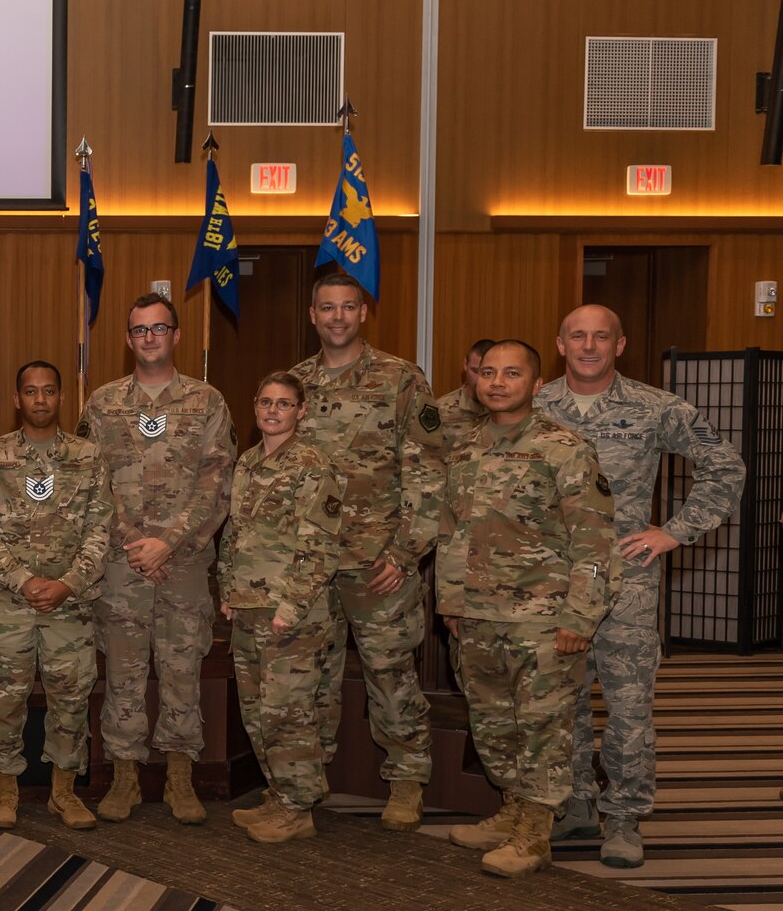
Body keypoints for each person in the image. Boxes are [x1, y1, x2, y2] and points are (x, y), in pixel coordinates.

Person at [535, 305, 744, 867]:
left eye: (600, 337)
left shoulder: (657, 408)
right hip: (551, 580)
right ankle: (575, 806)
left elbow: (726, 467)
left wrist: (674, 532)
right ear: (560, 344)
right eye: (577, 336)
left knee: (627, 706)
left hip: (626, 578)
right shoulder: (534, 406)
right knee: (562, 702)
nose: (588, 346)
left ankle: (623, 817)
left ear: (620, 345)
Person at [439, 340, 617, 876]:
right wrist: (450, 601)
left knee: (542, 726)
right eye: (488, 372)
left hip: (542, 618)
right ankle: (512, 810)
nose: (496, 382)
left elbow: (594, 540)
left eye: (511, 373)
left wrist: (580, 617)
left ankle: (536, 832)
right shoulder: (466, 446)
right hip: (476, 614)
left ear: (537, 384)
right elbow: (452, 531)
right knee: (493, 724)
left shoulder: (565, 448)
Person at [290, 269, 445, 831]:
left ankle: (406, 780)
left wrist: (405, 555)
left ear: (362, 313)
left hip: (379, 561)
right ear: (313, 316)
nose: (337, 317)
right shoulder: (294, 384)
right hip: (309, 564)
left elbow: (428, 474)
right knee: (309, 676)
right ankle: (306, 784)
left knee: (389, 671)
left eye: (347, 307)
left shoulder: (400, 378)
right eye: (327, 308)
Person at [77, 292, 233, 825]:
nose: (149, 338)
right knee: (122, 671)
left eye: (159, 328)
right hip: (121, 566)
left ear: (176, 335)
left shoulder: (207, 402)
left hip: (184, 563)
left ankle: (180, 778)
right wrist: (132, 541)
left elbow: (218, 482)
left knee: (181, 669)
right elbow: (88, 485)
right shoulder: (101, 404)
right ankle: (124, 777)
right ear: (128, 339)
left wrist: (168, 540)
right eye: (140, 330)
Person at [0, 360, 112, 831]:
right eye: (31, 391)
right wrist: (23, 581)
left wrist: (68, 582)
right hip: (8, 602)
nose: (40, 400)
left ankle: (64, 793)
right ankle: (5, 789)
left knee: (71, 700)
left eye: (49, 391)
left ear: (61, 398)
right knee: (4, 699)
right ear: (17, 399)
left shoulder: (88, 456)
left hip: (69, 603)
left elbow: (100, 528)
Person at [216, 372, 345, 843]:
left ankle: (298, 808)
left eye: (284, 404)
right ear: (255, 406)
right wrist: (228, 591)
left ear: (302, 410)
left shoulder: (312, 464)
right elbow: (234, 533)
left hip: (290, 611)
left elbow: (321, 545)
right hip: (249, 607)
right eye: (266, 402)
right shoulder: (248, 462)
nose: (273, 411)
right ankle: (278, 793)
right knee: (258, 711)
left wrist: (290, 607)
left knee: (288, 712)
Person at [436, 337, 495, 451]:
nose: (479, 379)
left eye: (487, 373)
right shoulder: (440, 410)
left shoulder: (507, 409)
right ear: (465, 364)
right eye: (475, 371)